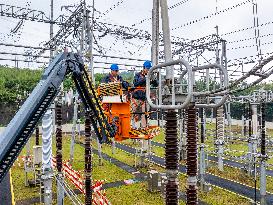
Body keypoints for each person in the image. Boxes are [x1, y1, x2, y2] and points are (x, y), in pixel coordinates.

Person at [131, 60, 158, 128]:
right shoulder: (138, 75)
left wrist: (154, 80)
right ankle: (131, 126)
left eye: (149, 69)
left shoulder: (150, 76)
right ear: (144, 68)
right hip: (136, 98)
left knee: (145, 114)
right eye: (147, 69)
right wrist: (145, 79)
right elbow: (136, 83)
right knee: (132, 112)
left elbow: (156, 84)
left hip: (144, 98)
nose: (148, 70)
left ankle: (144, 127)